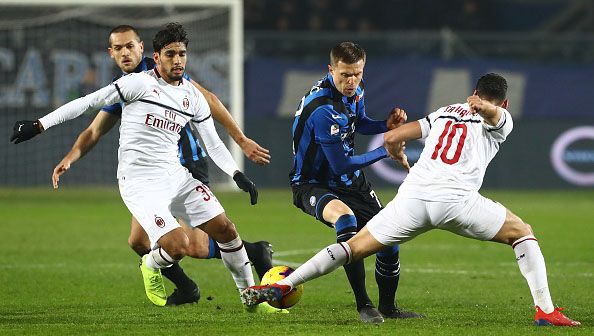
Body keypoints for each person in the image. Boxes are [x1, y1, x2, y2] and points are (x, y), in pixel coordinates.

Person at [241, 73, 581, 327]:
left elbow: (392, 136)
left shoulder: (446, 111)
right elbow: (495, 118)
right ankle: (546, 311)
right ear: (504, 102)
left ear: (474, 94)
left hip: (413, 199)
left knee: (353, 248)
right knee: (522, 232)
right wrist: (487, 109)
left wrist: (398, 152)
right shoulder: (501, 118)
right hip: (457, 202)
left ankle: (283, 285)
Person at [11, 22, 282, 313]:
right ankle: (152, 265)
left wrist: (237, 174)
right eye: (170, 54)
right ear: (155, 57)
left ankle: (252, 299)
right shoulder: (136, 84)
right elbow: (87, 104)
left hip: (178, 173)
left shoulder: (191, 95)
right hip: (140, 181)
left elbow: (213, 142)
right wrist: (40, 125)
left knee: (226, 229)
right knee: (176, 245)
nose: (177, 60)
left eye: (182, 54)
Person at [288, 42, 419, 323]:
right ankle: (364, 305)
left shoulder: (356, 92)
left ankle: (388, 308)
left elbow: (358, 123)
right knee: (346, 220)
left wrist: (386, 125)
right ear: (330, 69)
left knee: (390, 236)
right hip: (313, 183)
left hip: (350, 182)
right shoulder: (322, 108)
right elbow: (341, 163)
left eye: (357, 74)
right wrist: (385, 150)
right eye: (345, 75)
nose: (351, 81)